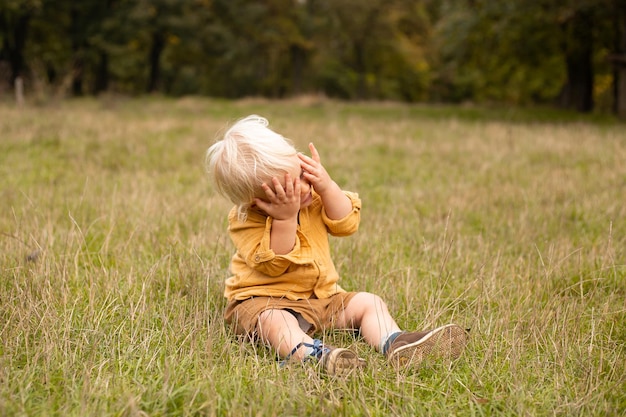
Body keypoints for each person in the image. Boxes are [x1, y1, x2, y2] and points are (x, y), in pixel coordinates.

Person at [205, 115, 468, 376]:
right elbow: (275, 266)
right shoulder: (245, 219)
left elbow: (346, 223)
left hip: (321, 299)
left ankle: (396, 342)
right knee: (276, 322)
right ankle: (314, 355)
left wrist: (328, 186)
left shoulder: (315, 194)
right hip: (266, 302)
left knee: (368, 302)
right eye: (289, 190)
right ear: (255, 203)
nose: (304, 189)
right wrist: (285, 218)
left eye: (302, 175)